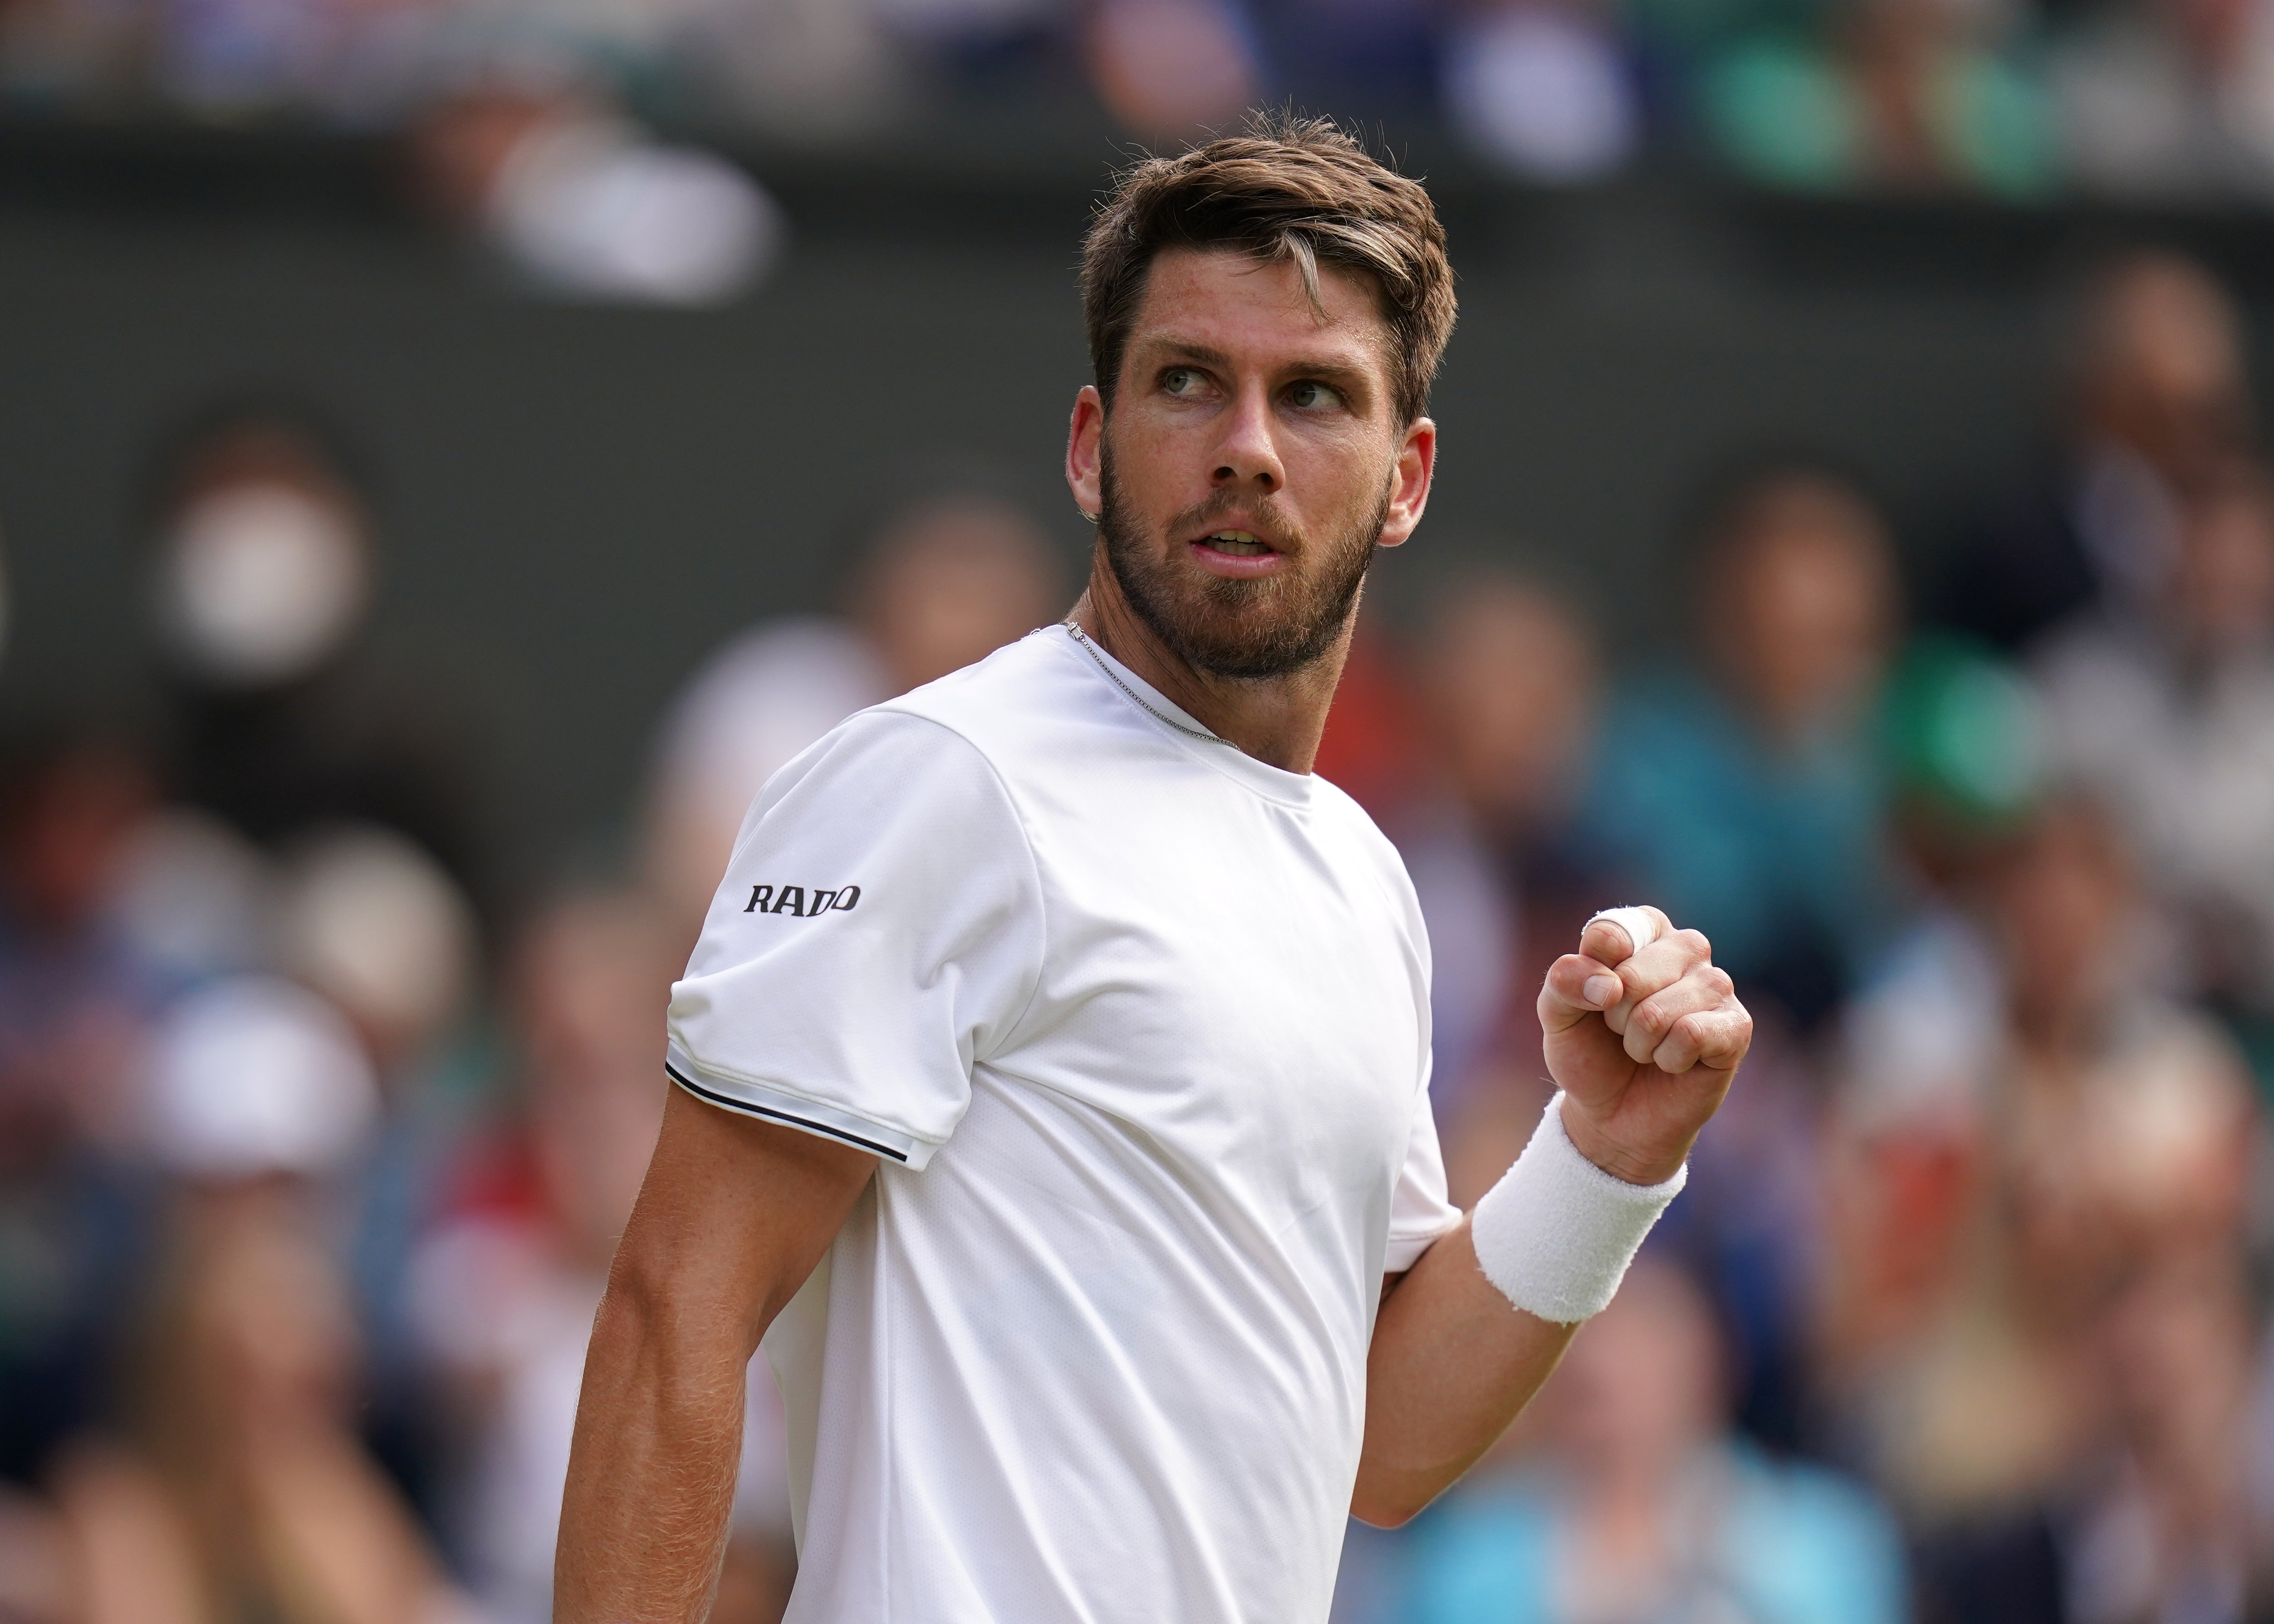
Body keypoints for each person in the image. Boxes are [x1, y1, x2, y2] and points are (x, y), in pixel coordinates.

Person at [555, 113, 1754, 1624]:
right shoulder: (941, 781)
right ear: (1086, 445)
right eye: (1190, 382)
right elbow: (675, 1319)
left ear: (1406, 480)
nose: (1246, 446)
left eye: (1313, 396)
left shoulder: (1361, 880)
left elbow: (1374, 1445)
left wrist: (1605, 1157)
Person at [1408, 1255, 1908, 1624]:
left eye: (1646, 1328)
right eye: (1587, 1327)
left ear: (1712, 1353)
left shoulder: (1825, 1540)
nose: (1605, 1356)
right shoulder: (1468, 1551)